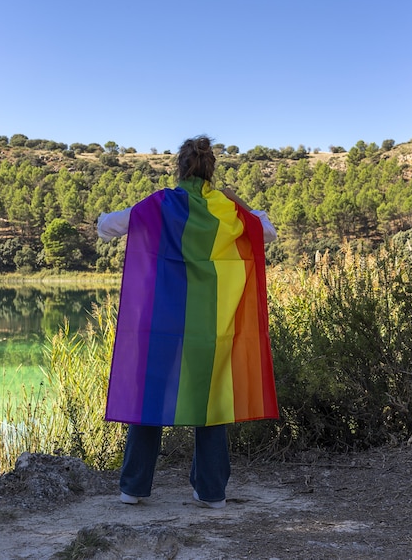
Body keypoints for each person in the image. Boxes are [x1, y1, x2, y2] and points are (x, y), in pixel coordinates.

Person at [98, 135, 278, 509]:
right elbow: (268, 231)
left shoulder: (162, 204)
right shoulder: (225, 210)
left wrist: (99, 219)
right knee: (210, 401)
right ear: (211, 169)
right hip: (210, 331)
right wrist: (242, 205)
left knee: (149, 400)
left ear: (179, 168)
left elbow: (111, 226)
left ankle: (132, 488)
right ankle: (211, 493)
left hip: (161, 328)